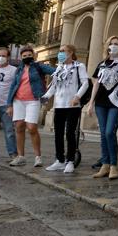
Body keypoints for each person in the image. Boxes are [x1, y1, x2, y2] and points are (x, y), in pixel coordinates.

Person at [42, 45, 89, 174]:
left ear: (71, 52)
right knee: (58, 133)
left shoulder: (79, 66)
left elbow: (85, 83)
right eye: (60, 51)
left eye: (63, 51)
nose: (60, 53)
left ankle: (70, 161)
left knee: (70, 133)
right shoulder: (59, 68)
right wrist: (46, 96)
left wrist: (77, 97)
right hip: (59, 105)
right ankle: (59, 159)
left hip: (72, 105)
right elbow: (54, 85)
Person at [7, 45, 55, 167]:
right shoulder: (19, 69)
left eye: (29, 55)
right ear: (21, 57)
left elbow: (54, 71)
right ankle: (21, 156)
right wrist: (9, 104)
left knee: (32, 127)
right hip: (18, 101)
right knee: (18, 127)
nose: (27, 57)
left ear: (33, 56)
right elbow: (13, 86)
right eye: (24, 56)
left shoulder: (39, 66)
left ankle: (38, 157)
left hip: (33, 100)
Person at [88, 36, 118, 180]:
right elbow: (96, 84)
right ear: (107, 46)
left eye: (116, 44)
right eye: (111, 44)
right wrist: (91, 103)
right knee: (103, 133)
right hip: (100, 102)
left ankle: (113, 166)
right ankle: (105, 164)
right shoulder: (102, 64)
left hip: (116, 103)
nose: (113, 46)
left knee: (110, 132)